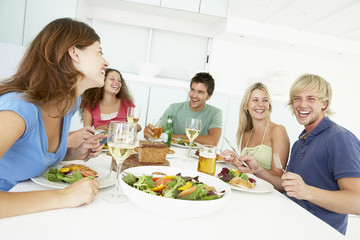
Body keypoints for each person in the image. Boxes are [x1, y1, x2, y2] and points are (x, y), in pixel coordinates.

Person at [223, 74, 360, 235]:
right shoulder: (299, 143)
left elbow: (357, 203)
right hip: (288, 222)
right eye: (297, 99)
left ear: (324, 104)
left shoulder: (339, 138)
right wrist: (258, 170)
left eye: (311, 99)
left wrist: (307, 191)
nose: (302, 105)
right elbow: (284, 187)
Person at [0, 18, 109, 218]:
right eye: (99, 52)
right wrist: (64, 197)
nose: (106, 62)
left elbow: (32, 157)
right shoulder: (17, 110)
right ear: (74, 52)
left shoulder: (69, 103)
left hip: (29, 211)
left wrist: (73, 152)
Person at [221, 82, 290, 184]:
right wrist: (236, 162)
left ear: (269, 106)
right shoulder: (246, 135)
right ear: (246, 106)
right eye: (255, 100)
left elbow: (279, 175)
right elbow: (248, 171)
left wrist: (257, 170)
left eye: (265, 100)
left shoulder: (278, 131)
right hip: (250, 187)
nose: (260, 104)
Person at [143, 72, 222, 146]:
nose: (194, 95)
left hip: (197, 156)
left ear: (209, 95)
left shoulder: (215, 113)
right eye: (192, 90)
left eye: (200, 92)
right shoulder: (174, 108)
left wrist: (181, 137)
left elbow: (213, 141)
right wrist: (149, 132)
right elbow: (159, 133)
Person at [80, 68, 141, 132]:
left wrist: (137, 128)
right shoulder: (90, 106)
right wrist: (97, 130)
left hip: (120, 141)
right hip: (98, 142)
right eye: (112, 79)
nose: (117, 82)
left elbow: (133, 127)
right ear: (102, 81)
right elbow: (86, 133)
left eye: (119, 80)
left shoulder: (127, 104)